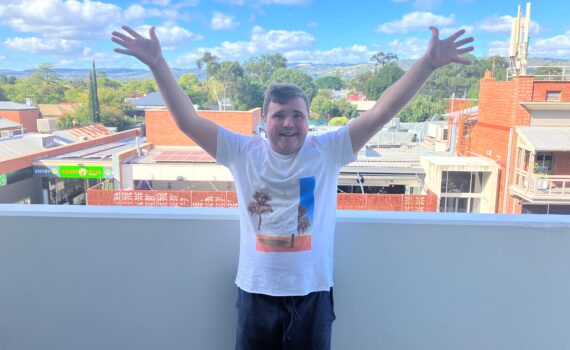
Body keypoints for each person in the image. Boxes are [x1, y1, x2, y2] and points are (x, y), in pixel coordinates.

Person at [112, 24, 473, 350]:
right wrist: (158, 63)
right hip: (255, 293)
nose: (288, 123)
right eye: (279, 115)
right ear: (264, 120)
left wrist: (427, 63)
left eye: (297, 114)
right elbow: (188, 121)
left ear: (307, 120)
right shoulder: (242, 152)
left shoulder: (328, 151)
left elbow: (380, 112)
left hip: (312, 293)